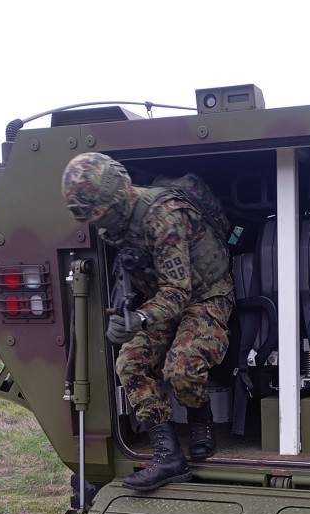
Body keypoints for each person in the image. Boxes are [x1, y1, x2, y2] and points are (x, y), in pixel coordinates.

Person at [62, 153, 234, 491]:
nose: (100, 225)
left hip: (204, 295)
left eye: (102, 215)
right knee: (129, 363)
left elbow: (179, 292)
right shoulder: (116, 222)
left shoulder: (163, 216)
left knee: (181, 369)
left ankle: (202, 422)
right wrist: (128, 315)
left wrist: (138, 319)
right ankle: (167, 454)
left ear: (119, 197)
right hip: (159, 301)